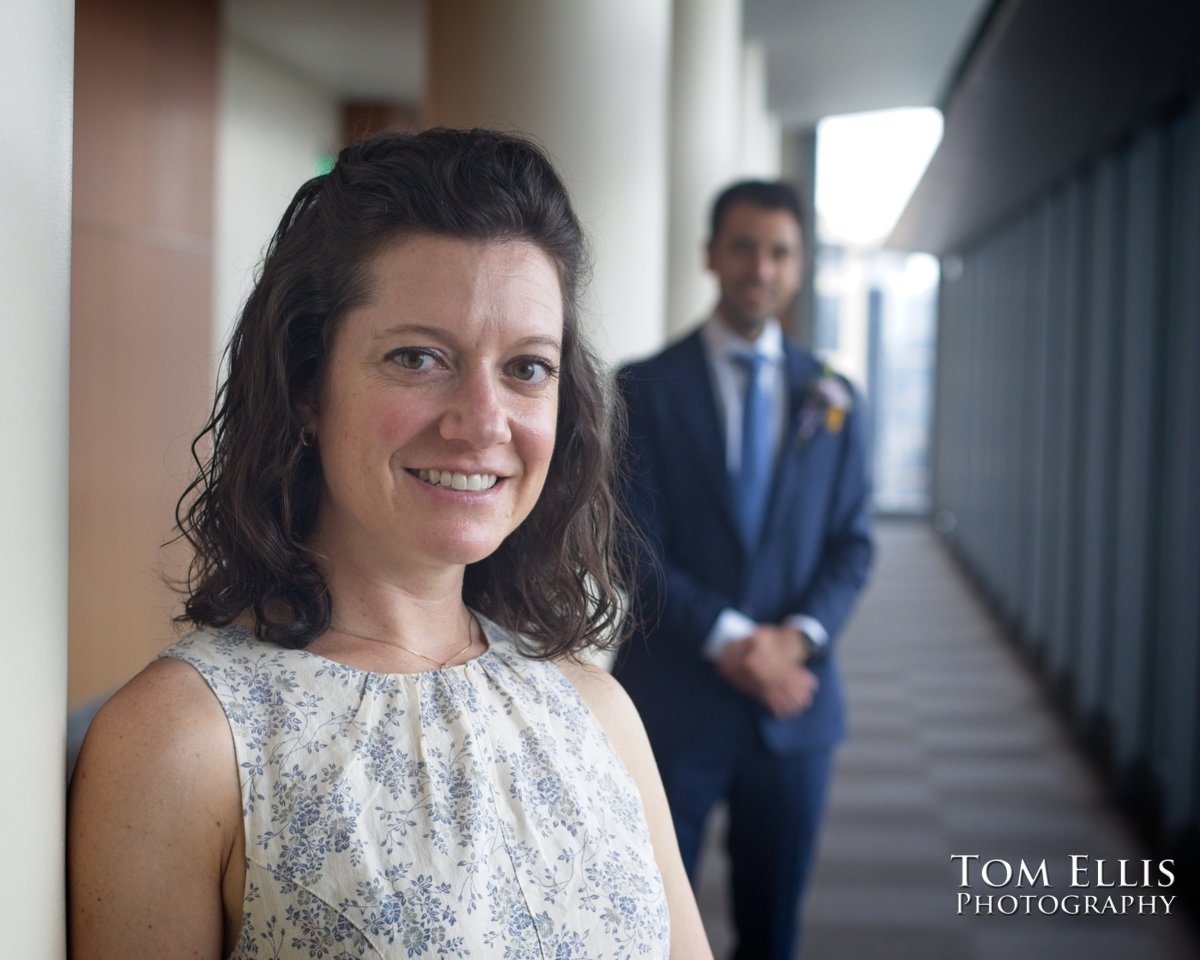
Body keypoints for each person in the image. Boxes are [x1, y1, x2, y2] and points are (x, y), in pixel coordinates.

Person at [68, 128, 712, 959]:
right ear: (306, 386)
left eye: (527, 368)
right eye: (418, 357)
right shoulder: (182, 742)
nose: (482, 423)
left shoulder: (596, 710)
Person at [613, 180, 873, 959]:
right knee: (652, 930)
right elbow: (631, 545)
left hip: (793, 711)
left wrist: (795, 639)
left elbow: (853, 544)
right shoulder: (643, 388)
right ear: (711, 255)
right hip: (673, 701)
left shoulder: (834, 395)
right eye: (744, 247)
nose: (761, 267)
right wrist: (734, 641)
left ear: (799, 266)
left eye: (780, 252)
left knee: (774, 933)